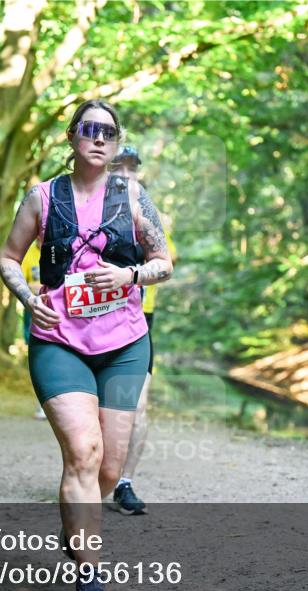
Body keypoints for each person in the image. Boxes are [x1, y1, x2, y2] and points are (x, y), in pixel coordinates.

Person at [0, 100, 173, 591]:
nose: (99, 138)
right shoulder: (42, 197)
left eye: (108, 132)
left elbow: (163, 262)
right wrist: (30, 299)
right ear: (72, 137)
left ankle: (76, 525)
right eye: (89, 129)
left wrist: (130, 274)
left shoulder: (134, 197)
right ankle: (89, 571)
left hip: (123, 344)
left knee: (109, 469)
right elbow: (10, 257)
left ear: (116, 143)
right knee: (82, 451)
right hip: (59, 341)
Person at [107, 146, 178, 515]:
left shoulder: (148, 214)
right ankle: (90, 471)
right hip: (90, 321)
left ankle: (124, 482)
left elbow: (166, 265)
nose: (125, 174)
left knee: (138, 405)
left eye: (131, 169)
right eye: (118, 167)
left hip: (137, 322)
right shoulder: (80, 211)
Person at [20, 243, 47, 420]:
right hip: (35, 310)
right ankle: (43, 404)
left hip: (63, 311)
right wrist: (31, 287)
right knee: (39, 357)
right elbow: (18, 279)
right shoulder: (28, 253)